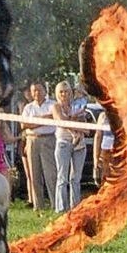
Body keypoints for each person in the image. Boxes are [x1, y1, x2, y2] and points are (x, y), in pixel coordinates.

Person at [21, 82, 57, 211]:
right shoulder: (28, 108)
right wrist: (43, 120)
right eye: (34, 91)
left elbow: (54, 117)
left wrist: (35, 121)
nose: (36, 93)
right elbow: (24, 125)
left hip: (48, 140)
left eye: (39, 90)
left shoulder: (52, 105)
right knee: (34, 174)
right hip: (32, 140)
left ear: (45, 91)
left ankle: (55, 204)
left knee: (50, 174)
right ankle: (38, 205)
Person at [52, 80, 87, 213]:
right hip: (63, 143)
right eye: (61, 91)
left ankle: (75, 207)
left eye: (66, 91)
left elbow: (84, 120)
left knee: (76, 178)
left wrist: (77, 120)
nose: (64, 94)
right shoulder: (56, 106)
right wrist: (74, 120)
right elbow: (61, 121)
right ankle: (61, 208)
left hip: (79, 144)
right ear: (57, 93)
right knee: (62, 177)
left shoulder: (77, 105)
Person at [93, 110, 114, 185]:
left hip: (110, 150)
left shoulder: (103, 116)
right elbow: (98, 136)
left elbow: (98, 136)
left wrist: (96, 159)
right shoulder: (103, 116)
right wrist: (96, 158)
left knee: (107, 177)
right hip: (108, 150)